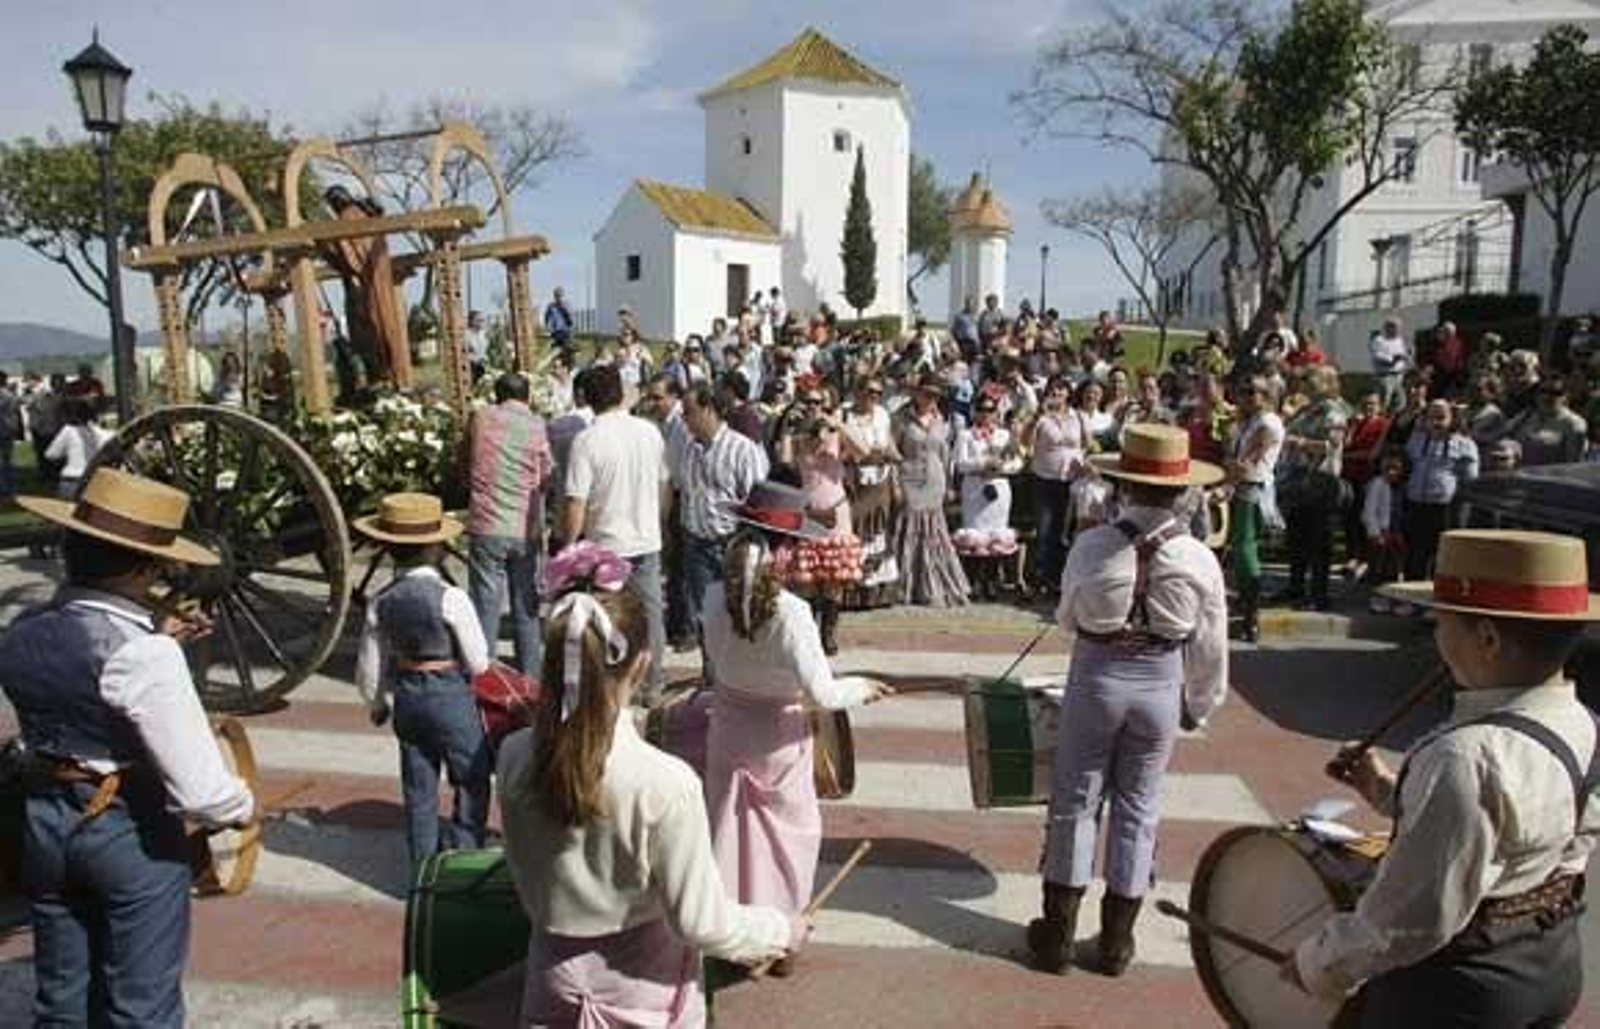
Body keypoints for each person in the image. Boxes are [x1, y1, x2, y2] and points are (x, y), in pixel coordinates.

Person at [1289, 531, 1598, 1025]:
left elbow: (1408, 920)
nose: (1436, 637)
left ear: (1488, 639)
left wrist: (1316, 965)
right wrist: (1386, 791)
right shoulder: (1581, 722)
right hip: (1550, 961)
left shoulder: (1466, 757)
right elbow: (1519, 832)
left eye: (1443, 622)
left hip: (1459, 991)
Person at [1, 467, 256, 1027]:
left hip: (44, 823)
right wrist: (243, 807)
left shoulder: (22, 628)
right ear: (147, 566)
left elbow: (85, 660)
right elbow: (202, 792)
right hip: (127, 831)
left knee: (61, 1001)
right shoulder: (146, 655)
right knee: (142, 1009)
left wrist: (154, 638)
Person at [497, 562, 798, 1025]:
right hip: (645, 992)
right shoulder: (666, 784)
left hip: (550, 982)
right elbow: (701, 923)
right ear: (640, 664)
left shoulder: (513, 755)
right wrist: (779, 929)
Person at [1030, 424, 1229, 975]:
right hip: (1161, 683)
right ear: (1182, 492)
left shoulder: (1092, 544)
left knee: (1075, 800)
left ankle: (1057, 938)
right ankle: (1117, 943)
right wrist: (1200, 703)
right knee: (1139, 807)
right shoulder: (1197, 557)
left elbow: (1067, 618)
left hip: (1097, 677)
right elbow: (1210, 644)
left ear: (1123, 485)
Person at [702, 490, 893, 977]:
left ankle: (730, 932)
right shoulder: (790, 613)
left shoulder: (710, 597)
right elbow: (824, 694)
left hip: (728, 728)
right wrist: (864, 687)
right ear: (782, 549)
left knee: (729, 832)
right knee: (787, 840)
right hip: (777, 739)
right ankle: (781, 936)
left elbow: (715, 667)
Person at [354, 493, 492, 870]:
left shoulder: (379, 601)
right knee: (471, 776)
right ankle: (464, 856)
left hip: (408, 701)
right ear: (437, 547)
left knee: (418, 788)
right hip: (451, 697)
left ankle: (422, 867)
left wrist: (377, 703)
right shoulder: (452, 598)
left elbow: (370, 664)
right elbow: (479, 662)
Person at [561, 364, 670, 704]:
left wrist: (569, 545)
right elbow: (664, 484)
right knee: (651, 615)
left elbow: (576, 501)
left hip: (606, 543)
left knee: (609, 619)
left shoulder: (587, 440)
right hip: (646, 537)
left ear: (586, 399)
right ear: (621, 393)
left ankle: (615, 684)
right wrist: (660, 523)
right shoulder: (650, 432)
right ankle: (652, 683)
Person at [466, 372, 553, 673]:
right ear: (527, 397)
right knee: (526, 606)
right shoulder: (538, 425)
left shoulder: (481, 417)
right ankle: (530, 675)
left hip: (487, 524)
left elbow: (467, 457)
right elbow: (545, 476)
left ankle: (483, 673)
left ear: (496, 395)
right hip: (524, 527)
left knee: (485, 605)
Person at [672, 382, 769, 645]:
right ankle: (711, 675)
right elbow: (683, 490)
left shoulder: (742, 449)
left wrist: (747, 548)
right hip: (696, 544)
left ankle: (735, 676)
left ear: (710, 410)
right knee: (704, 617)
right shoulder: (690, 448)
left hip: (730, 544)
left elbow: (757, 502)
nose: (685, 420)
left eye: (689, 412)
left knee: (737, 615)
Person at [1275, 365, 1350, 612]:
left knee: (1319, 540)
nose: (1305, 381)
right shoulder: (1306, 408)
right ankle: (1295, 587)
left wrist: (1300, 442)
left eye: (1312, 378)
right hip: (1298, 481)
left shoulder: (1334, 411)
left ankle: (1319, 595)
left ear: (1328, 383)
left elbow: (1330, 445)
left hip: (1321, 481)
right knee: (1297, 537)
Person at [893, 373, 971, 607]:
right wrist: (895, 484)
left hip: (935, 481)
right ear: (917, 393)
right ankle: (907, 585)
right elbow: (894, 454)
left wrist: (949, 484)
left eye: (935, 395)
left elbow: (946, 456)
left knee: (934, 534)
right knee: (908, 531)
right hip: (909, 478)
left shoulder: (943, 421)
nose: (930, 399)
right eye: (926, 393)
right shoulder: (901, 418)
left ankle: (934, 585)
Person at [1225, 377, 1285, 642]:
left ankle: (1252, 617)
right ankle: (1246, 609)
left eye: (1252, 392)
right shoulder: (1248, 421)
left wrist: (1228, 482)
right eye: (1242, 391)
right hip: (1243, 488)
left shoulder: (1268, 422)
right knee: (1241, 551)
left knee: (1246, 551)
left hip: (1252, 490)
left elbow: (1249, 459)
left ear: (1266, 395)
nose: (1245, 397)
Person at [1402, 400, 1480, 593]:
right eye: (1431, 417)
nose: (1436, 422)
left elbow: (1470, 481)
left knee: (1441, 556)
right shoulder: (1416, 439)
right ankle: (1411, 595)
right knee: (1414, 553)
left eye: (1441, 417)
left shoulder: (1465, 444)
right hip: (1415, 505)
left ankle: (1438, 596)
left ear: (1452, 418)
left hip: (1445, 509)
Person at [1025, 376, 1093, 595]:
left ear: (1068, 393)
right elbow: (1026, 441)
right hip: (1045, 479)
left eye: (1061, 390)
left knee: (1062, 533)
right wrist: (1037, 415)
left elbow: (1089, 445)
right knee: (1044, 530)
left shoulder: (1079, 416)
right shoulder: (1042, 418)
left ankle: (1056, 578)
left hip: (1071, 482)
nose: (1057, 394)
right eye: (1053, 390)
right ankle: (1038, 578)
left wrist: (1084, 462)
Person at [954, 393, 1023, 600]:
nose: (986, 414)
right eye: (982, 409)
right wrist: (982, 464)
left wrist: (1002, 467)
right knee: (974, 535)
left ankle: (992, 582)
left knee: (996, 535)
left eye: (990, 409)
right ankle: (973, 582)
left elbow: (1018, 462)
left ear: (996, 412)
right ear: (976, 411)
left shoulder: (1004, 435)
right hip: (975, 487)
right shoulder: (965, 435)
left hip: (999, 487)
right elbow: (960, 463)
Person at [840, 377, 900, 609]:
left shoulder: (883, 414)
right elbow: (842, 450)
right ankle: (852, 592)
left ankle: (876, 593)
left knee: (878, 533)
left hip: (881, 479)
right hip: (855, 481)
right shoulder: (845, 415)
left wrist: (895, 478)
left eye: (878, 392)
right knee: (856, 532)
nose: (874, 396)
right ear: (857, 392)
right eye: (869, 392)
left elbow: (890, 446)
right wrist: (864, 455)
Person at [1361, 451, 1408, 613]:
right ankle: (1377, 598)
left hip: (1396, 532)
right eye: (1388, 468)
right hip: (1381, 532)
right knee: (1377, 568)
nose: (1392, 472)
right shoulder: (1377, 484)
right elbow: (1369, 511)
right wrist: (1375, 533)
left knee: (1394, 568)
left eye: (1396, 468)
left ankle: (1392, 598)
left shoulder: (1402, 487)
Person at [1507, 378, 1587, 467]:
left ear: (1565, 396)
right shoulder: (1526, 415)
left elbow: (1574, 464)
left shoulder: (1574, 424)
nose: (1547, 396)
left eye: (1555, 393)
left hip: (1550, 478)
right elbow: (1503, 434)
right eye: (1543, 391)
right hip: (1520, 476)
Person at [46, 398, 114, 500]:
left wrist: (68, 454)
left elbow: (50, 454)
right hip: (95, 482)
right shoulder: (107, 435)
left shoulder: (68, 431)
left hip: (72, 481)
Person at [1369, 318, 1412, 411]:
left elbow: (1404, 354)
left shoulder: (1400, 340)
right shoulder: (1379, 340)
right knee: (1384, 402)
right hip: (1385, 376)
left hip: (1399, 375)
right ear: (1388, 328)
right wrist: (1394, 359)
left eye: (1399, 327)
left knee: (1400, 402)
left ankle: (1394, 421)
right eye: (1396, 327)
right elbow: (1377, 356)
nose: (1399, 330)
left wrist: (1407, 356)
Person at [0, 370, 21, 497]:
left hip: (3, 429)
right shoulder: (11, 394)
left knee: (5, 462)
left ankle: (6, 487)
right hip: (9, 429)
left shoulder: (4, 395)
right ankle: (8, 486)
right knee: (7, 460)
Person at [543, 286, 575, 355]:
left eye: (560, 296)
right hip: (555, 333)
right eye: (557, 296)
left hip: (565, 332)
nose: (558, 298)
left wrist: (564, 308)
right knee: (556, 353)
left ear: (563, 296)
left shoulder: (567, 305)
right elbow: (546, 318)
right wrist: (548, 329)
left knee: (567, 352)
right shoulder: (551, 306)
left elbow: (571, 321)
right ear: (554, 296)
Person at [465, 310, 490, 383]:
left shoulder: (483, 334)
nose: (482, 323)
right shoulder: (466, 335)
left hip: (482, 366)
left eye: (482, 320)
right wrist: (474, 359)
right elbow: (464, 353)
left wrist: (485, 358)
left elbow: (483, 351)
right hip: (470, 368)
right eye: (479, 320)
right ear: (471, 321)